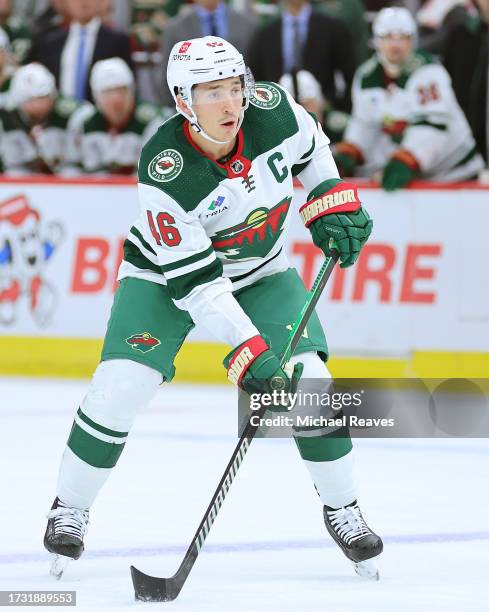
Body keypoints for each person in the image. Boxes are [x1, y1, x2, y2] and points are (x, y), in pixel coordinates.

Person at [43, 36, 382, 582]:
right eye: (212, 93)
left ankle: (343, 507)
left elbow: (313, 146)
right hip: (165, 280)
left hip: (262, 272)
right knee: (120, 385)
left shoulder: (272, 109)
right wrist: (251, 354)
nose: (231, 104)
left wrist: (329, 200)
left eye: (235, 87)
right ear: (183, 100)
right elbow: (199, 286)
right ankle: (70, 509)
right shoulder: (166, 170)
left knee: (311, 382)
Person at [334, 7, 485, 190]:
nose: (395, 45)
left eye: (402, 37)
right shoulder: (366, 76)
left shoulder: (428, 72)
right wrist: (351, 151)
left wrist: (406, 159)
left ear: (413, 40)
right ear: (376, 41)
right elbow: (364, 123)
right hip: (412, 176)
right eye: (388, 37)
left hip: (455, 173)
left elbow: (433, 126)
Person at [249, 0, 355, 116]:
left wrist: (335, 110)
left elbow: (349, 74)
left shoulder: (333, 28)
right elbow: (256, 76)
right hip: (277, 114)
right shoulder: (265, 33)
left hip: (321, 114)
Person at [74, 58, 170, 175]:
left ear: (132, 90)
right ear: (96, 97)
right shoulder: (87, 123)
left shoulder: (153, 121)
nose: (116, 100)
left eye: (122, 90)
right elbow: (87, 171)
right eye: (107, 92)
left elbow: (152, 174)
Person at [28, 0, 133, 102]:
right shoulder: (51, 42)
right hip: (61, 113)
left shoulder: (117, 41)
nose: (83, 2)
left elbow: (127, 83)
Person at [159, 0, 257, 105]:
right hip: (195, 108)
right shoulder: (175, 28)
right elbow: (168, 72)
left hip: (243, 104)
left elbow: (257, 67)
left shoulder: (249, 24)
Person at [0, 63, 87, 174]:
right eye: (30, 100)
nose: (37, 105)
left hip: (66, 175)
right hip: (22, 174)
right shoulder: (7, 115)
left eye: (42, 98)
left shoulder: (73, 114)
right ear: (18, 102)